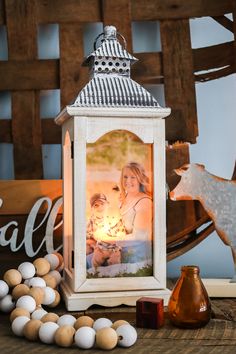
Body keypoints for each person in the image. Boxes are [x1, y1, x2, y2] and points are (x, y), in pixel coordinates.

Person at [118, 162, 153, 264]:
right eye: (125, 177)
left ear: (140, 179)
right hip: (121, 250)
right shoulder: (123, 198)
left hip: (136, 257)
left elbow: (139, 237)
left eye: (133, 177)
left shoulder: (144, 202)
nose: (128, 181)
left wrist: (111, 240)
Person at [86, 193, 124, 269]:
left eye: (102, 204)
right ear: (92, 209)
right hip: (99, 247)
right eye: (96, 205)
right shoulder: (91, 221)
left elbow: (121, 233)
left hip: (113, 248)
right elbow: (87, 236)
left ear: (107, 204)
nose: (100, 207)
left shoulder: (115, 218)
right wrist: (93, 243)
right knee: (91, 254)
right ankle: (95, 270)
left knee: (115, 260)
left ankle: (113, 271)